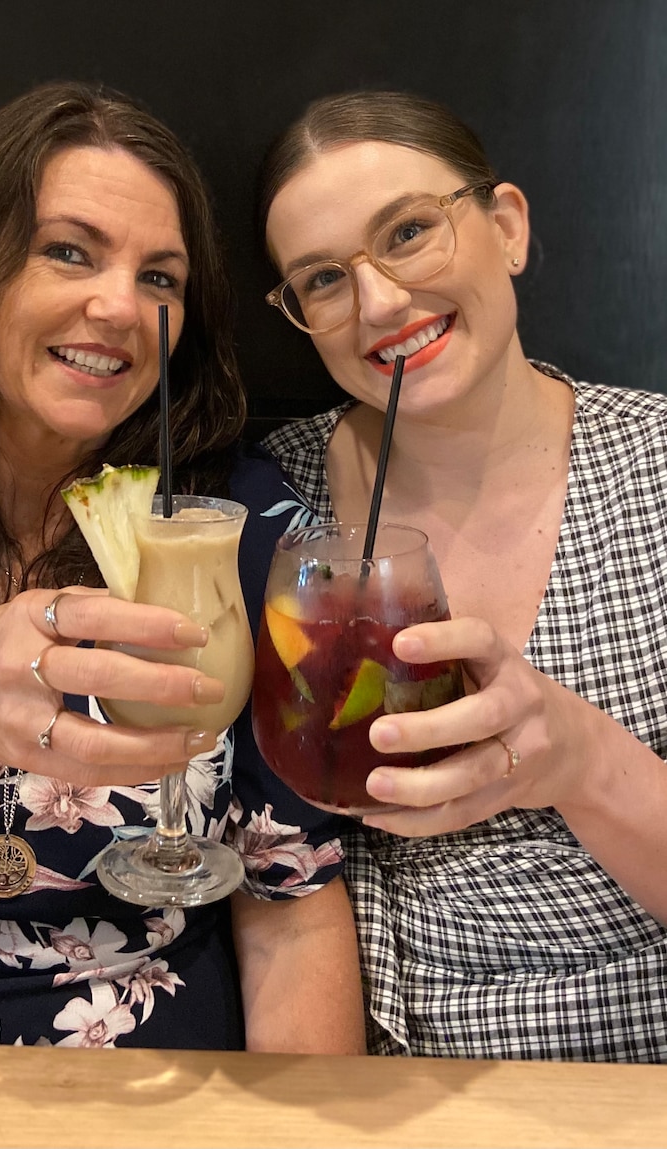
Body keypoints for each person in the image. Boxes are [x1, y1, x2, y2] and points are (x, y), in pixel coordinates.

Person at [0, 81, 365, 1052]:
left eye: (161, 278)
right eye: (68, 250)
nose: (119, 305)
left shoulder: (236, 520)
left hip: (144, 1069)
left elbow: (289, 897)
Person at [256, 89, 667, 1061]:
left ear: (507, 227)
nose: (380, 304)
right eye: (321, 279)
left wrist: (574, 758)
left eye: (407, 231)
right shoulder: (269, 498)